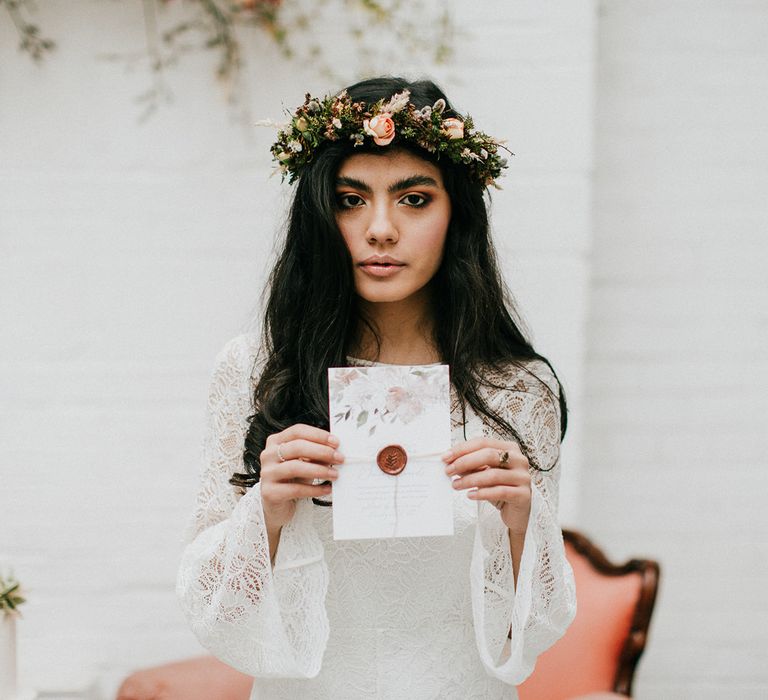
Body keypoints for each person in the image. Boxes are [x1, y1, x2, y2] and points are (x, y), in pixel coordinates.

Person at [176, 76, 576, 699]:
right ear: (318, 215)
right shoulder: (259, 368)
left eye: (414, 199)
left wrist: (523, 518)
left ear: (456, 216)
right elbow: (213, 610)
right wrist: (269, 509)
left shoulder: (513, 388)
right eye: (350, 199)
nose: (381, 228)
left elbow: (532, 633)